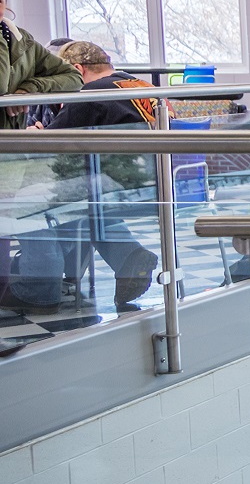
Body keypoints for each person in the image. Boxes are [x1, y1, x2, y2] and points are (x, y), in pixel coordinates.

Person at [0, 41, 160, 314]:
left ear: (76, 70)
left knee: (23, 197)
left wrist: (35, 134)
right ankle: (128, 255)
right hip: (157, 183)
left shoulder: (89, 92)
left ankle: (41, 283)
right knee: (81, 203)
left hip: (111, 185)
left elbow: (51, 144)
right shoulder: (142, 86)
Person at [0, 0, 84, 129]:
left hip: (12, 146)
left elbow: (75, 78)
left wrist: (28, 88)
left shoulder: (23, 41)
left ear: (6, 3)